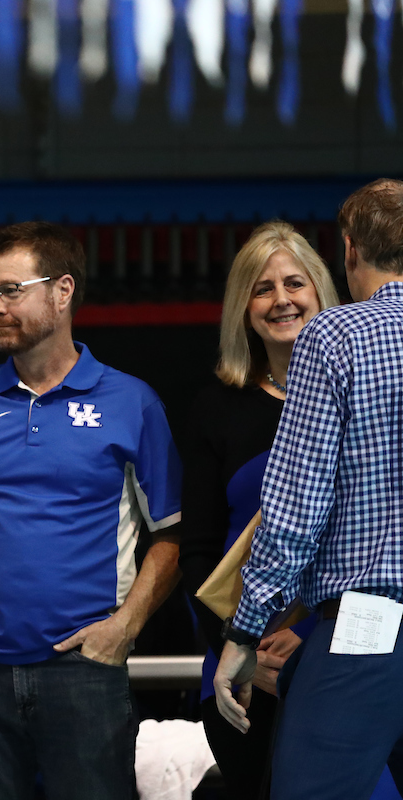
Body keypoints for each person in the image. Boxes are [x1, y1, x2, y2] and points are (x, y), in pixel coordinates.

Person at [0, 221, 182, 800]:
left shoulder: (132, 402)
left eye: (11, 290)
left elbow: (171, 536)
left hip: (86, 671)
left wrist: (126, 626)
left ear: (62, 291)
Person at [214, 180, 403, 799]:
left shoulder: (337, 336)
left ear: (348, 252)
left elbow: (296, 508)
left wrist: (244, 630)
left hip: (370, 625)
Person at [178, 222, 338, 800]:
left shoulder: (362, 395)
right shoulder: (215, 408)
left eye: (295, 283)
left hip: (343, 652)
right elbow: (196, 550)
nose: (281, 300)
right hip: (240, 671)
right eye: (262, 288)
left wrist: (316, 637)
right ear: (243, 309)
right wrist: (233, 650)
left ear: (321, 294)